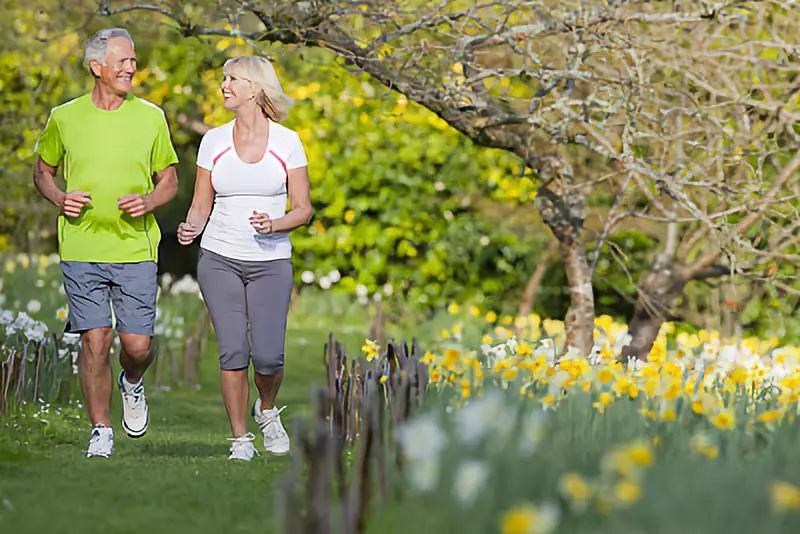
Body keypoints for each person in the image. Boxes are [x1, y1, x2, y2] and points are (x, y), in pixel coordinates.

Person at [33, 28, 179, 458]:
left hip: (135, 248)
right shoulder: (64, 117)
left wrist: (150, 200)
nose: (131, 68)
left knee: (137, 347)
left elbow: (169, 180)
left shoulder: (151, 116)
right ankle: (101, 429)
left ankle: (132, 381)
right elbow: (42, 171)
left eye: (133, 61)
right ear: (96, 67)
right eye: (122, 61)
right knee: (95, 339)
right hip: (81, 248)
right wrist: (60, 197)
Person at [177, 56, 313, 461]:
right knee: (233, 350)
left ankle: (267, 409)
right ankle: (240, 439)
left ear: (255, 88)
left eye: (233, 79)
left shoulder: (287, 141)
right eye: (224, 79)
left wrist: (276, 224)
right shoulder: (213, 141)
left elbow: (303, 209)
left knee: (269, 355)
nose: (224, 85)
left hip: (271, 261)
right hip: (219, 257)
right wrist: (190, 227)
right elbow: (201, 205)